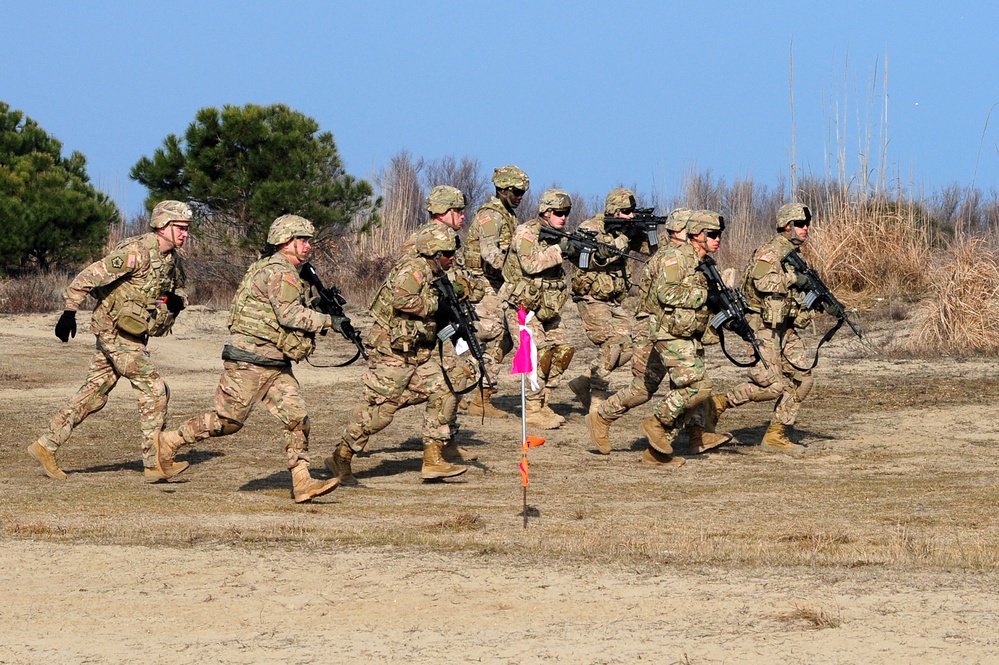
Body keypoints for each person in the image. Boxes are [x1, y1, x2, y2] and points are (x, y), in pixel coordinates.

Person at [152, 214, 340, 503]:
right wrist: (328, 321)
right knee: (227, 422)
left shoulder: (276, 269)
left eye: (307, 240)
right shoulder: (280, 271)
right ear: (284, 242)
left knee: (297, 418)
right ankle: (170, 441)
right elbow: (289, 315)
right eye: (301, 240)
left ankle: (302, 481)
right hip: (250, 360)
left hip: (274, 361)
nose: (307, 245)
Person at [27, 200, 193, 481]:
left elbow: (176, 292)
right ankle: (155, 463)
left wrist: (175, 301)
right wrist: (69, 311)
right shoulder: (136, 253)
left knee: (93, 394)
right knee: (155, 390)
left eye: (187, 229)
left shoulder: (171, 260)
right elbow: (89, 275)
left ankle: (45, 445)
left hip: (134, 333)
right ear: (163, 226)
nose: (185, 234)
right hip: (113, 331)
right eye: (180, 228)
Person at [586, 210, 733, 465]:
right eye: (702, 231)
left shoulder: (699, 260)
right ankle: (604, 415)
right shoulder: (668, 258)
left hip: (682, 329)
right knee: (646, 387)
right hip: (655, 329)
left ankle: (685, 438)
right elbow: (661, 298)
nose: (714, 238)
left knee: (687, 384)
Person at [326, 224, 468, 485]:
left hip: (417, 353)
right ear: (434, 253)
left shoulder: (434, 273)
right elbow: (402, 301)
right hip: (390, 353)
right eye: (448, 253)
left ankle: (433, 459)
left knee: (446, 388)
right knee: (381, 413)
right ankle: (341, 455)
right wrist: (439, 305)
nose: (452, 258)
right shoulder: (413, 270)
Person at [710, 203, 816, 453]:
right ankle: (718, 404)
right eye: (800, 224)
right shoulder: (770, 252)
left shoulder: (793, 254)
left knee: (803, 380)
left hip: (784, 327)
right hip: (761, 327)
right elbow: (762, 281)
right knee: (772, 385)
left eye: (807, 224)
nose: (805, 229)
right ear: (786, 226)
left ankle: (776, 434)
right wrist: (794, 280)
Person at [499, 189, 576, 430]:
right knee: (535, 355)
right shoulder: (526, 232)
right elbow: (530, 264)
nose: (562, 218)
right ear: (545, 211)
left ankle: (544, 402)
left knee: (563, 350)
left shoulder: (560, 235)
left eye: (566, 213)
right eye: (558, 213)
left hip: (547, 308)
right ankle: (532, 409)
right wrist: (560, 250)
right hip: (522, 306)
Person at [459, 165, 530, 418]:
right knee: (495, 335)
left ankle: (473, 390)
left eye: (523, 191)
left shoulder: (508, 215)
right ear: (503, 190)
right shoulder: (492, 216)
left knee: (502, 339)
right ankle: (476, 393)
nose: (521, 196)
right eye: (517, 191)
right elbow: (490, 254)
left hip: (498, 283)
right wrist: (519, 269)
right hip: (486, 283)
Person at [566, 187, 646, 411]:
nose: (631, 216)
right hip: (591, 298)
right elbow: (594, 258)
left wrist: (646, 232)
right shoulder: (590, 228)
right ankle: (598, 398)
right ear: (615, 211)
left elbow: (651, 251)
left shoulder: (626, 230)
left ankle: (583, 381)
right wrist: (623, 239)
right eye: (627, 212)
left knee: (631, 345)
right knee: (613, 345)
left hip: (613, 300)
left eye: (633, 212)